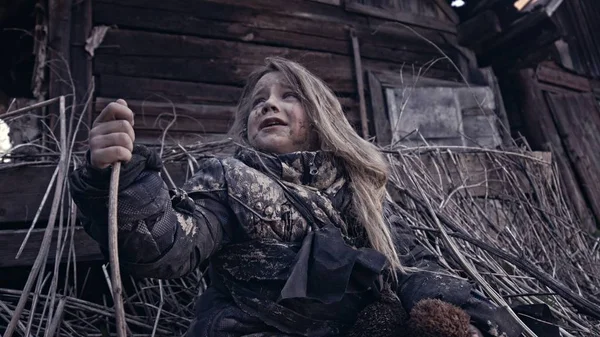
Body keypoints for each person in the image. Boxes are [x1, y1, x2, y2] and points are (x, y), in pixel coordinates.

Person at [70, 57, 519, 337]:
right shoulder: (227, 178)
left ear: (321, 116)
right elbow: (168, 247)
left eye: (289, 97)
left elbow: (412, 267)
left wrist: (469, 318)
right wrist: (124, 179)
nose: (268, 105)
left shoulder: (358, 191)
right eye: (259, 101)